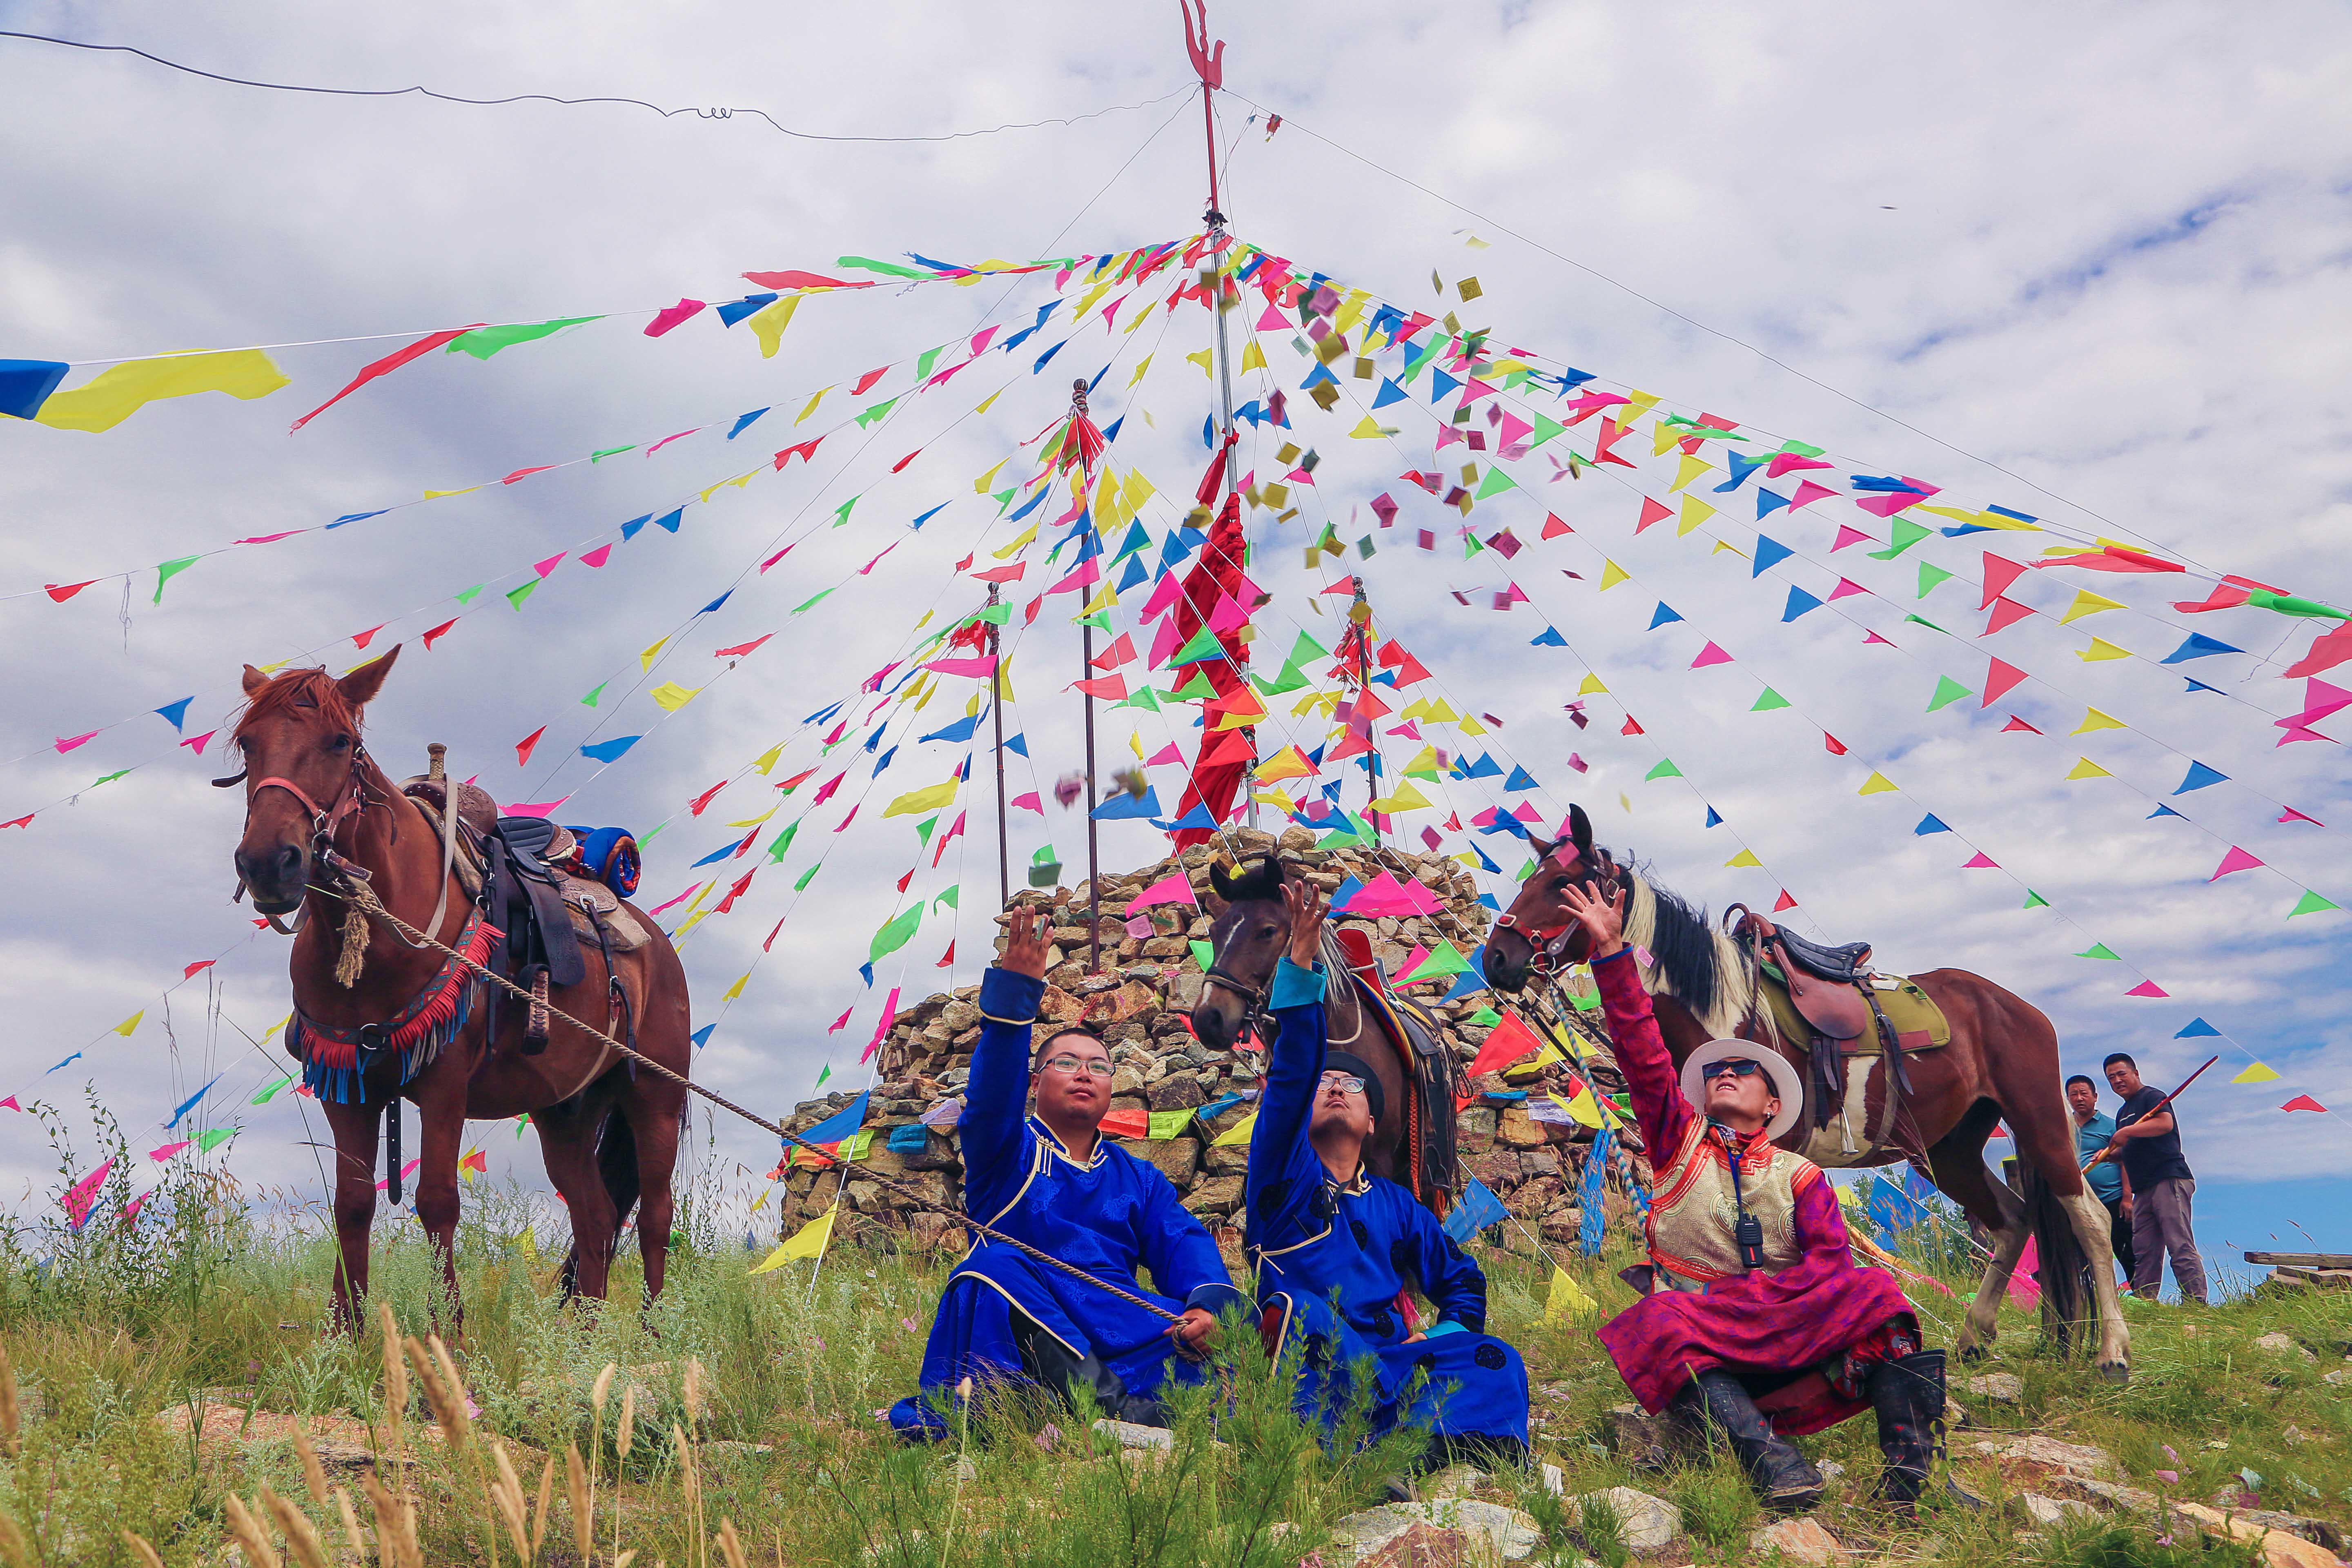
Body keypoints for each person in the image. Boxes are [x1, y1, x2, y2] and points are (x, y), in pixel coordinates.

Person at [1562, 874, 1967, 1515]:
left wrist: (1762, 1298)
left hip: (1794, 1335)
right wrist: (1612, 954)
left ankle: (1913, 1476)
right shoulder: (1677, 1143)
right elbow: (1642, 1052)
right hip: (1711, 1339)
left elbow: (1831, 1268)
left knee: (1876, 1292)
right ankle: (1774, 1464)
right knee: (1657, 1318)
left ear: (1772, 1104)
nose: (1726, 1070)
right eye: (1716, 1069)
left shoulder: (1801, 1175)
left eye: (1743, 1069)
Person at [888, 907, 1245, 1438]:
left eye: (1099, 1066)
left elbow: (1183, 1242)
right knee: (992, 1268)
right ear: (1034, 1084)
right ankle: (1105, 1408)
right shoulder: (1006, 1150)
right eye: (1066, 1062)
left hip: (1122, 1326)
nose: (1085, 1073)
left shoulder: (1137, 1178)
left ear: (1111, 1087)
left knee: (1235, 1335)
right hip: (1029, 1323)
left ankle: (1119, 1410)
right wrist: (1014, 995)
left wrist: (1209, 1305)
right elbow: (989, 1105)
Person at [1244, 880, 1530, 1468]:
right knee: (1309, 1315)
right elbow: (1296, 1072)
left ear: (1373, 1122)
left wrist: (1441, 1334)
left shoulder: (1397, 1205)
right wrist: (1299, 966)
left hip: (1391, 1360)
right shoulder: (1283, 1172)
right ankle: (1365, 1452)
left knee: (1495, 1357)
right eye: (1325, 1083)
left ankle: (1408, 1452)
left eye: (1353, 1085)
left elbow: (1462, 1281)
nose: (1337, 1087)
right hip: (1317, 1353)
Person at [2098, 1053, 2207, 1305]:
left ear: (2135, 1073)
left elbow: (2165, 1124)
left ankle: (2196, 1302)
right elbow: (2129, 1151)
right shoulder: (2123, 1111)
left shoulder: (2152, 1097)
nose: (2117, 1081)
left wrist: (2127, 1131)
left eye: (2121, 1074)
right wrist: (2108, 1157)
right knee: (2145, 1250)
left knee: (2178, 1243)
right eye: (2111, 1078)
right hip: (2143, 1188)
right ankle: (2146, 1302)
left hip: (2168, 1179)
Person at [2065, 1074, 2135, 1283]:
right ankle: (2091, 1293)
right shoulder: (2064, 1126)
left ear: (2095, 1097)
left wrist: (2127, 1197)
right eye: (2073, 1095)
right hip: (2079, 1201)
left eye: (2084, 1094)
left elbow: (2126, 1160)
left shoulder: (2111, 1125)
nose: (2079, 1098)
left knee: (2125, 1248)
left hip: (2112, 1198)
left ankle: (2142, 1293)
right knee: (2081, 1249)